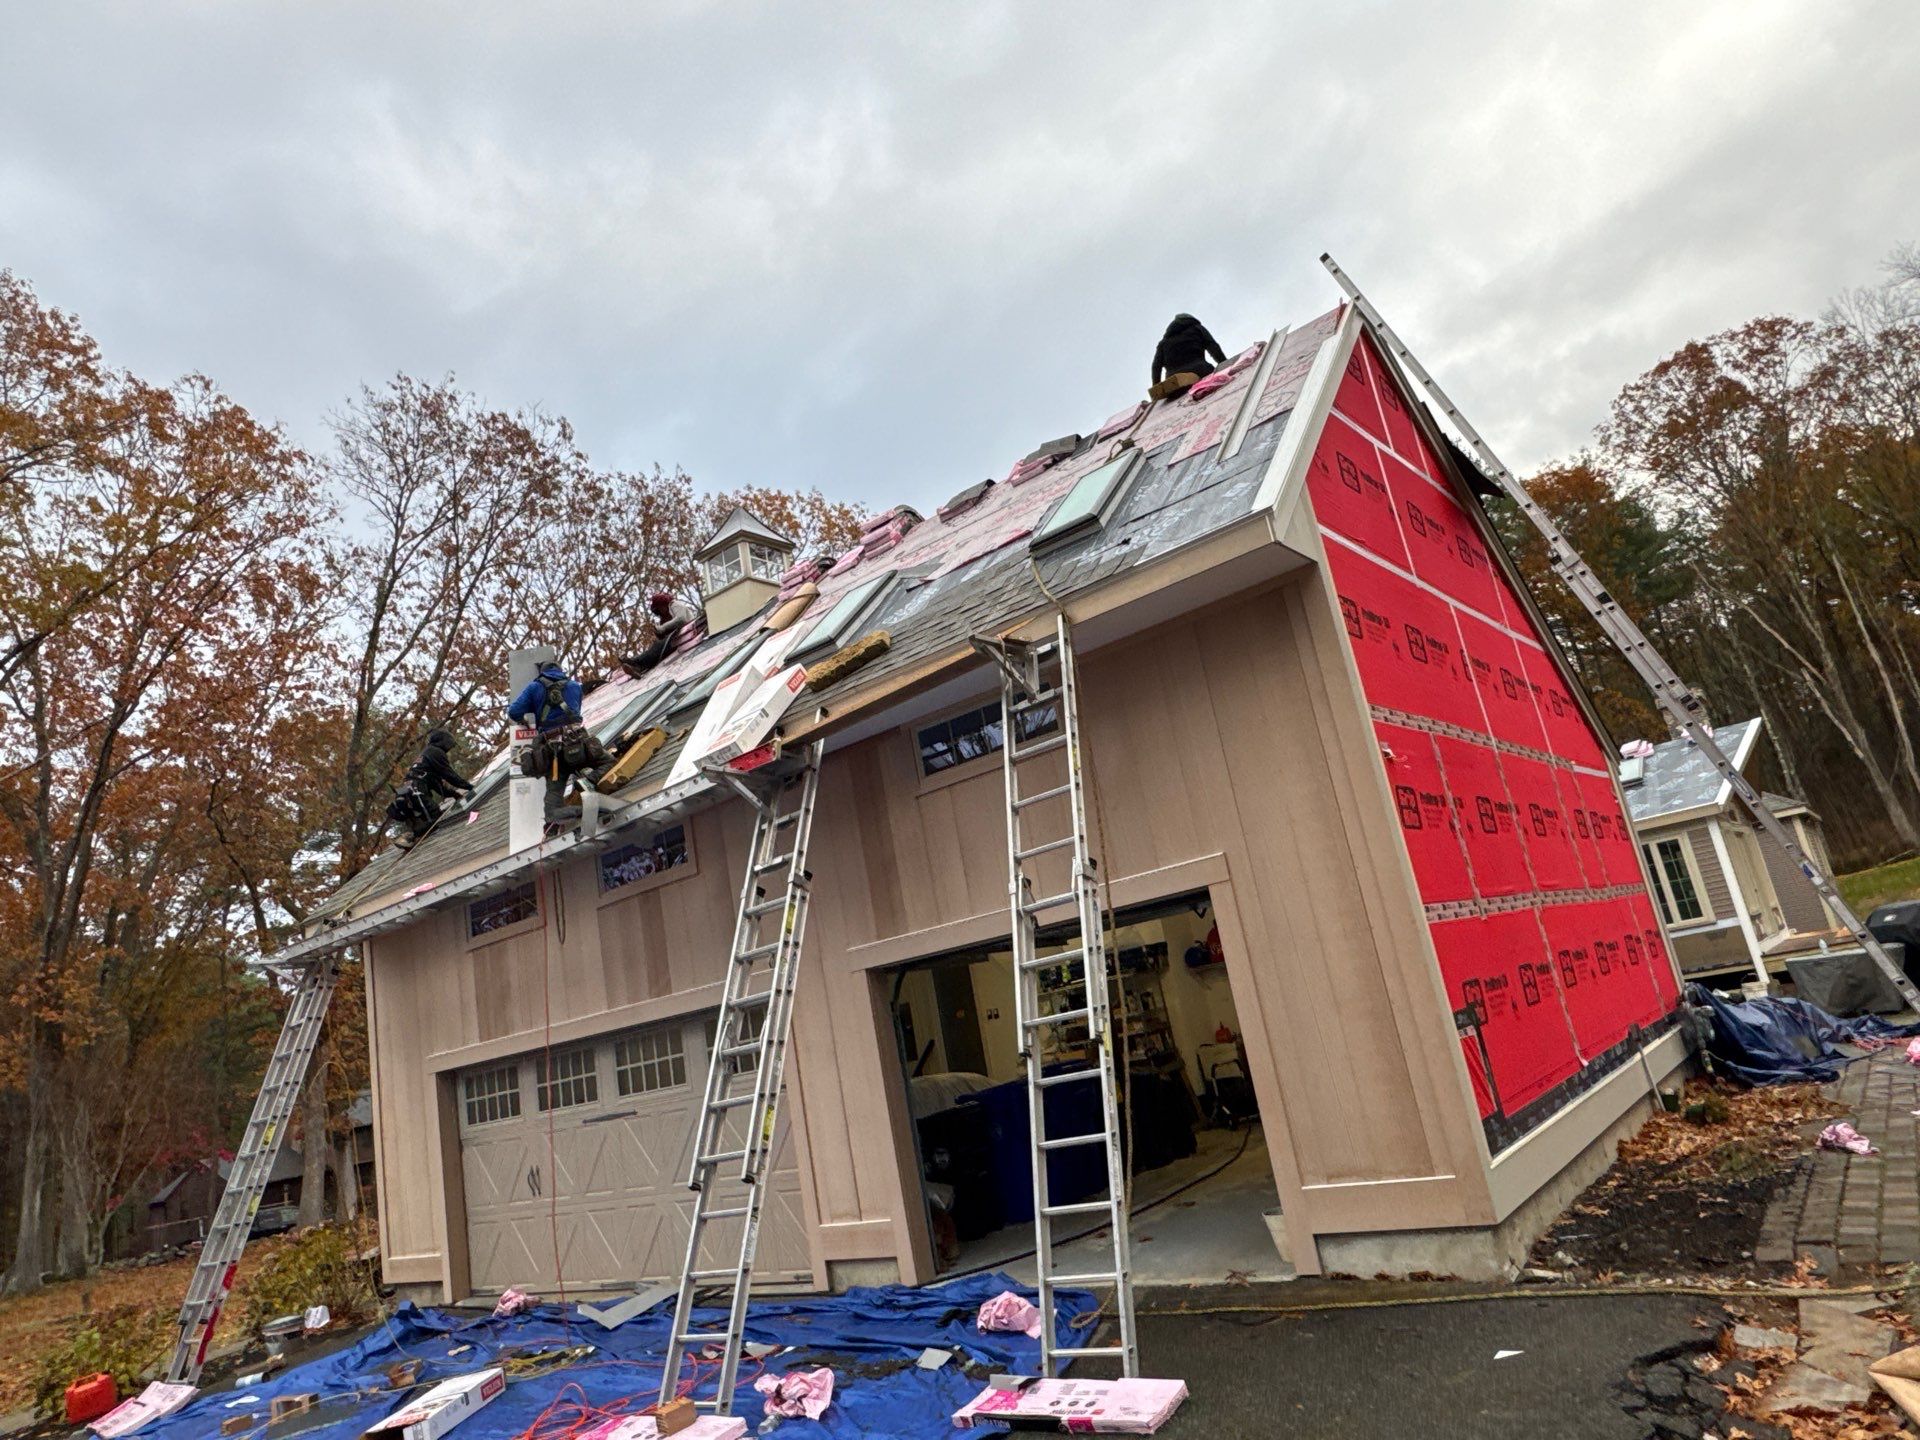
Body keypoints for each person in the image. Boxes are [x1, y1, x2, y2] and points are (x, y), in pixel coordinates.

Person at [508, 661, 610, 826]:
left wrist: (524, 719)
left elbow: (513, 711)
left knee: (551, 812)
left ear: (542, 673)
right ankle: (589, 780)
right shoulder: (575, 686)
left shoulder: (534, 687)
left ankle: (585, 812)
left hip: (554, 755)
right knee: (609, 762)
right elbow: (575, 713)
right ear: (560, 671)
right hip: (579, 745)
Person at [386, 728, 475, 848]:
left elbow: (437, 785)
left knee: (429, 819)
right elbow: (449, 775)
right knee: (435, 817)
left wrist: (454, 794)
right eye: (450, 743)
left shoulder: (427, 754)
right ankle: (408, 838)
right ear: (443, 741)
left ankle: (414, 836)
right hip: (416, 789)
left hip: (409, 789)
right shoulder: (435, 752)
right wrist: (469, 787)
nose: (450, 747)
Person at [619, 592, 701, 681]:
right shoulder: (668, 615)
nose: (660, 612)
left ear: (662, 604)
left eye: (660, 609)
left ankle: (636, 662)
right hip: (679, 639)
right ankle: (638, 667)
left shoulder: (674, 604)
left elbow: (681, 619)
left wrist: (663, 627)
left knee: (658, 646)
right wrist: (661, 633)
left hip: (686, 635)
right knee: (657, 649)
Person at [1151, 313, 1227, 387]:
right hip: (1199, 371)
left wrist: (1157, 388)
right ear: (1191, 320)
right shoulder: (1197, 328)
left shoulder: (1163, 343)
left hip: (1173, 380)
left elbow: (1156, 366)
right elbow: (1213, 347)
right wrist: (1225, 364)